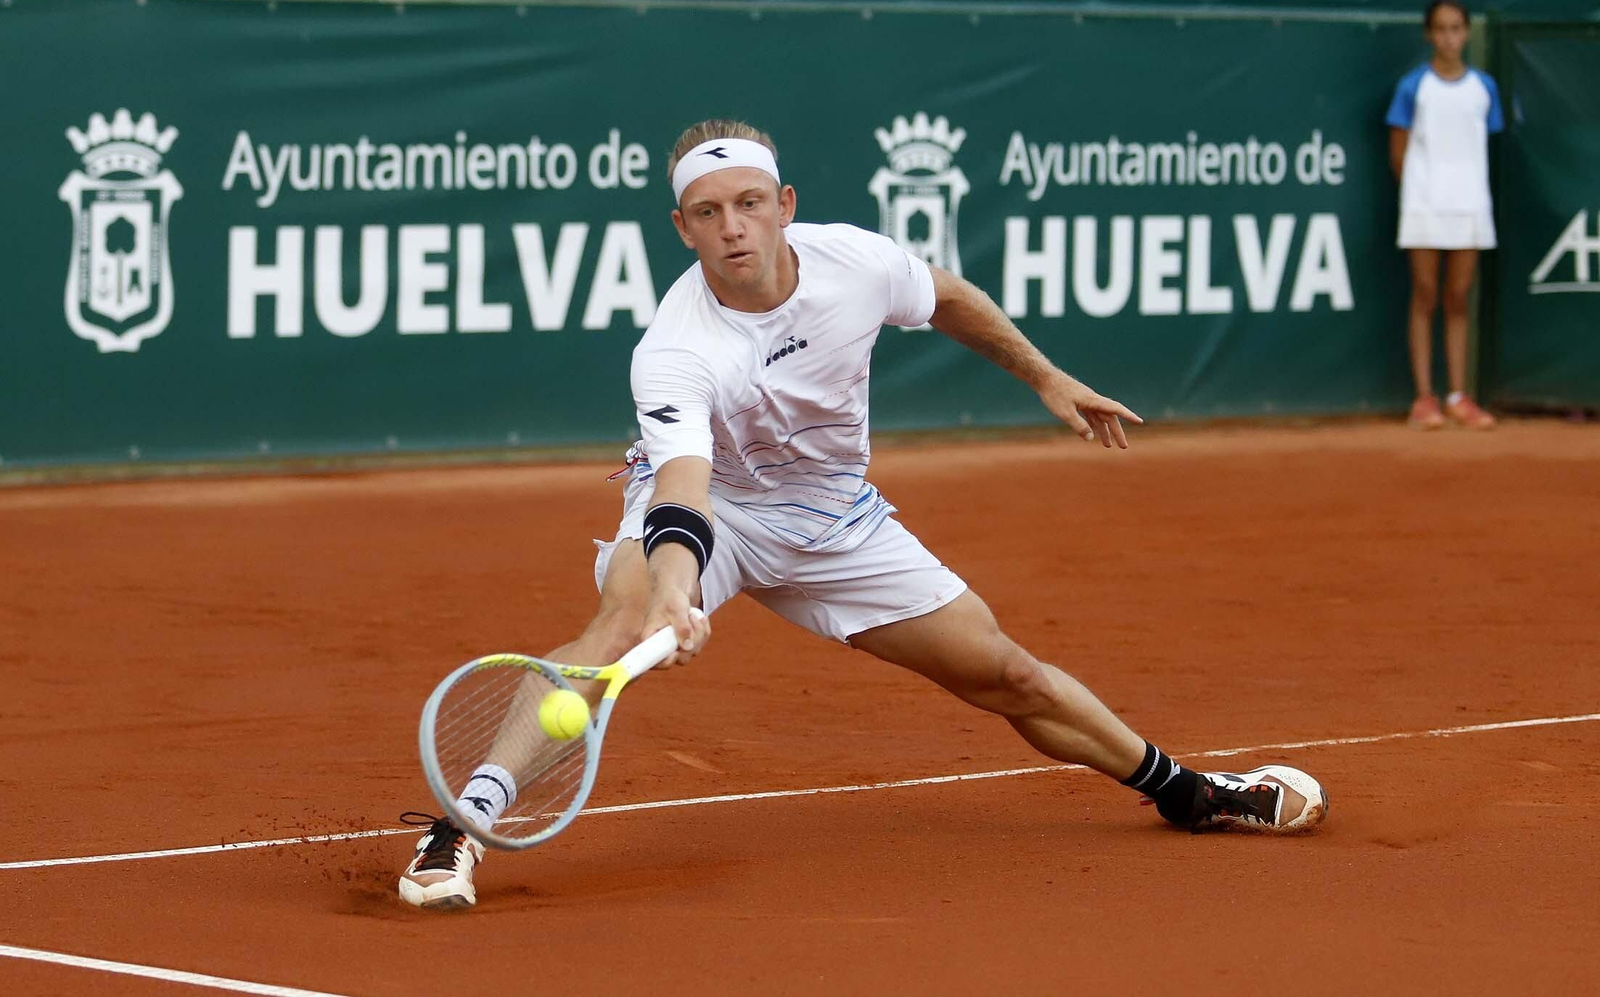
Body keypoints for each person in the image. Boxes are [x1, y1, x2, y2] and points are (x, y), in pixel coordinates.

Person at [398, 119, 1329, 909]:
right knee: (614, 628)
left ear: (786, 204)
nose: (734, 227)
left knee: (1007, 671)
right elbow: (683, 488)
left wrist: (1044, 375)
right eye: (710, 212)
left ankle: (1189, 792)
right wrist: (674, 596)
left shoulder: (859, 264)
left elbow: (952, 299)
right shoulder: (675, 348)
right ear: (681, 228)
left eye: (750, 203)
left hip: (839, 519)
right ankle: (463, 820)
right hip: (715, 507)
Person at [1386, 0, 1504, 430]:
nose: (1449, 37)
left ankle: (1458, 396)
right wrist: (1421, 192)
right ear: (1428, 34)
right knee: (1425, 295)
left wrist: (1461, 189)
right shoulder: (1413, 86)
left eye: (1457, 29)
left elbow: (1482, 143)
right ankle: (1424, 398)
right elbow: (1397, 153)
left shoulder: (1484, 88)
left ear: (1467, 33)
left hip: (1470, 205)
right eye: (1441, 29)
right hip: (1424, 204)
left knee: (1458, 299)